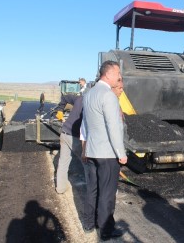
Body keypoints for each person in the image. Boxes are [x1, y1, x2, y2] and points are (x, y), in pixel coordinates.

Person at [82, 60, 128, 240]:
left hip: (92, 150)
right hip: (107, 154)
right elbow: (114, 127)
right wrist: (121, 154)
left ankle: (88, 224)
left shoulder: (89, 94)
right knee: (107, 194)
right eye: (117, 74)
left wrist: (85, 147)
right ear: (108, 74)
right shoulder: (108, 96)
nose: (119, 77)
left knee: (92, 189)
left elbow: (86, 125)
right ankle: (106, 231)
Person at [55, 94, 85, 194]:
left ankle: (60, 188)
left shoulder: (80, 97)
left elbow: (64, 97)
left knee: (63, 162)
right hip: (76, 138)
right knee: (89, 164)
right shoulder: (92, 102)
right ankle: (93, 192)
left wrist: (60, 109)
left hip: (64, 133)